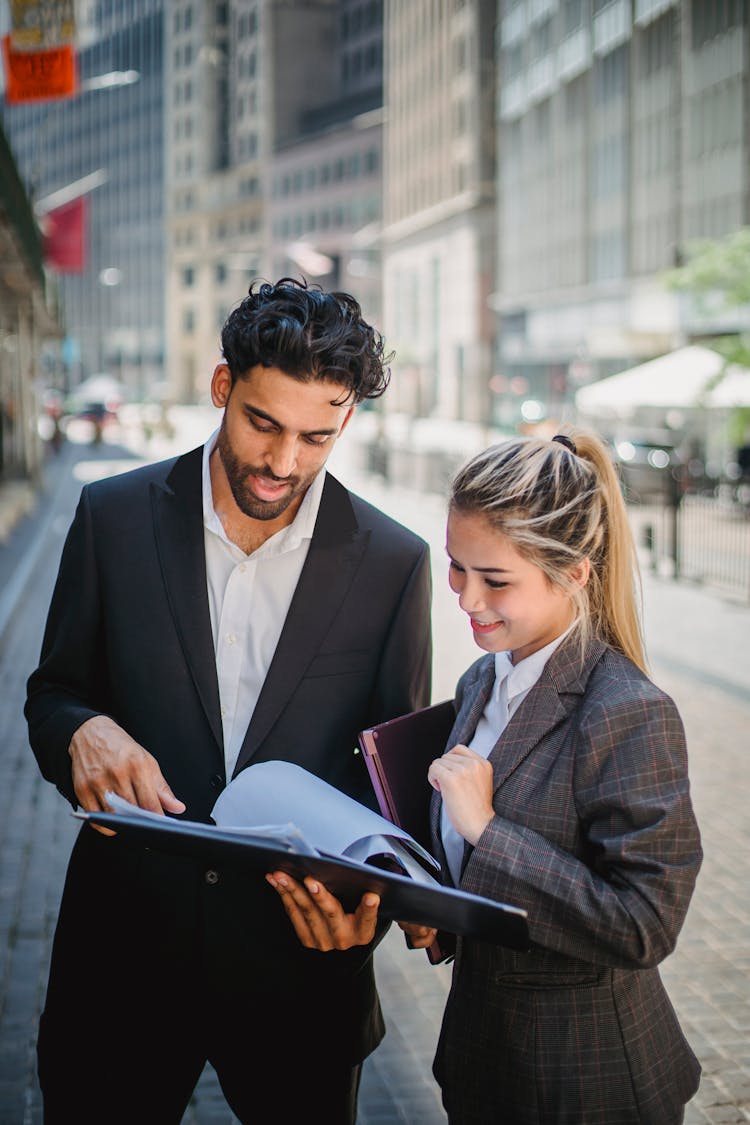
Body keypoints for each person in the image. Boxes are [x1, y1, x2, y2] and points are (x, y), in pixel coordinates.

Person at [25, 278, 432, 1125]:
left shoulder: (395, 563)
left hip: (301, 982)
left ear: (347, 421)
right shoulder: (111, 517)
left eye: (316, 435)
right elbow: (51, 693)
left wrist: (373, 907)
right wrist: (81, 730)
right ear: (222, 388)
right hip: (122, 966)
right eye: (262, 423)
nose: (284, 462)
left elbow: (392, 793)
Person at [268, 429, 703, 1124]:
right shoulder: (481, 678)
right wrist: (439, 914)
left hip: (587, 1086)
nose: (467, 600)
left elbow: (644, 925)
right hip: (482, 1065)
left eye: (496, 579)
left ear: (574, 574)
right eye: (455, 566)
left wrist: (488, 830)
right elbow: (491, 889)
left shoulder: (629, 712)